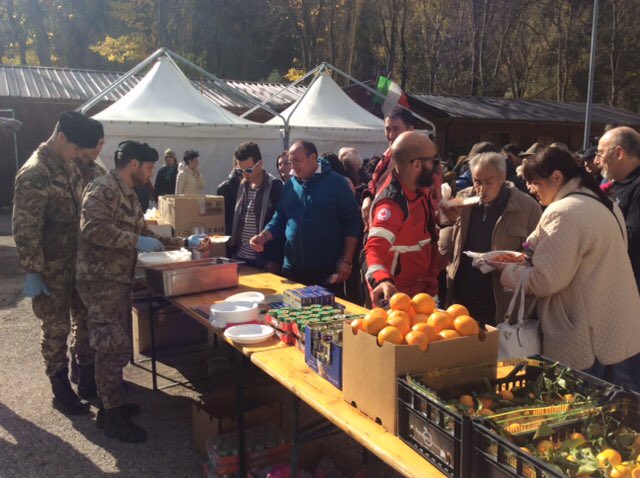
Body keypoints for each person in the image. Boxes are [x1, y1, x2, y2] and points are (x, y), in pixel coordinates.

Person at [76, 141, 210, 442]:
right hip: (100, 280)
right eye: (149, 168)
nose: (151, 174)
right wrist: (134, 242)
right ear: (134, 164)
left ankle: (114, 405)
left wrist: (182, 242)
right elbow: (92, 229)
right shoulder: (103, 188)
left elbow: (144, 233)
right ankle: (110, 415)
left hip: (117, 279)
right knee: (110, 346)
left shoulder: (128, 194)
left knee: (117, 344)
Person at [500, 146, 640, 391]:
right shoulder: (603, 201)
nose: (531, 189)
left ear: (557, 177)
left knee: (584, 413)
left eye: (534, 182)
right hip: (616, 328)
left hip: (587, 337)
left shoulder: (564, 212)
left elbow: (546, 281)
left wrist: (509, 273)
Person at [13, 111, 101, 415]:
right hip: (51, 270)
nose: (79, 155)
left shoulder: (68, 165)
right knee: (56, 329)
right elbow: (26, 228)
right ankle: (60, 390)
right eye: (76, 148)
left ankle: (88, 381)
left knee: (85, 320)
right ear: (61, 137)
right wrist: (32, 270)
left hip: (78, 264)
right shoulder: (34, 173)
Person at [438, 152, 541, 326]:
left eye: (488, 182)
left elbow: (536, 252)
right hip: (464, 292)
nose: (481, 188)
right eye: (477, 181)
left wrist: (509, 262)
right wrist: (446, 219)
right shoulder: (463, 198)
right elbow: (448, 230)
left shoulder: (527, 207)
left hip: (500, 298)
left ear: (502, 178)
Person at [249, 141, 361, 293]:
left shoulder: (337, 184)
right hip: (292, 270)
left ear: (313, 158)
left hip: (325, 272)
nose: (293, 166)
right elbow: (280, 217)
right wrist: (263, 236)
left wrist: (346, 260)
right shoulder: (289, 186)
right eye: (290, 161)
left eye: (297, 161)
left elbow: (352, 222)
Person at [363, 131, 442, 304]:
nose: (436, 167)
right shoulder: (392, 204)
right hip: (397, 301)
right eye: (433, 161)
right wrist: (382, 280)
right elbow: (374, 248)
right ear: (416, 165)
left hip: (422, 293)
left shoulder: (420, 190)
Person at [68, 118, 108, 393]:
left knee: (85, 319)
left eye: (88, 150)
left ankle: (85, 375)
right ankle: (78, 376)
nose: (82, 155)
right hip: (66, 259)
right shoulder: (59, 169)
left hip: (92, 261)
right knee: (73, 322)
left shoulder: (98, 171)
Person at [595, 126, 640, 291]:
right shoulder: (617, 184)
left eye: (600, 153)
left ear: (618, 153)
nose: (597, 161)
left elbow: (632, 239)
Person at [228, 142, 283, 272]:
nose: (245, 174)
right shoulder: (242, 186)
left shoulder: (275, 186)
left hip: (263, 260)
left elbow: (279, 223)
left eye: (248, 170)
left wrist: (273, 259)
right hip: (240, 257)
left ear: (261, 164)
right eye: (240, 171)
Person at [360, 108, 415, 223]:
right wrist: (368, 197)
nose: (391, 135)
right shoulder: (387, 156)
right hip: (378, 220)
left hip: (401, 226)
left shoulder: (420, 160)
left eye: (396, 129)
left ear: (410, 130)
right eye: (387, 129)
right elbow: (376, 184)